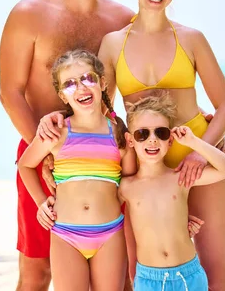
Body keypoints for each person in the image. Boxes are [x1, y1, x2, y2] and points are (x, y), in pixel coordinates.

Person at [37, 0, 225, 290]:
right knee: (139, 271)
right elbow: (102, 111)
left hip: (196, 157)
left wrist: (205, 146)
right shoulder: (113, 44)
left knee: (217, 269)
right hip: (142, 162)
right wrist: (61, 134)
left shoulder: (192, 39)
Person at [0, 0, 136, 291]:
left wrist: (199, 127)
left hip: (103, 157)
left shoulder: (124, 21)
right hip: (41, 150)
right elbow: (10, 94)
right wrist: (44, 156)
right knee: (37, 272)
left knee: (120, 275)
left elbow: (142, 90)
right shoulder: (29, 13)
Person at [18, 49, 136, 290]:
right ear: (62, 95)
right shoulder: (57, 133)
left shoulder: (117, 134)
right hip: (65, 234)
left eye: (88, 78)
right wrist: (41, 202)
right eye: (70, 84)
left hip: (110, 233)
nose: (81, 87)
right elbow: (26, 165)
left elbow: (131, 183)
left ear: (103, 83)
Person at [120, 95, 225, 290]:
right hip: (149, 279)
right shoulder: (126, 187)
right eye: (142, 134)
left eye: (161, 133)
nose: (153, 140)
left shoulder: (180, 178)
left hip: (189, 275)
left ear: (171, 140)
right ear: (130, 140)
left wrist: (194, 142)